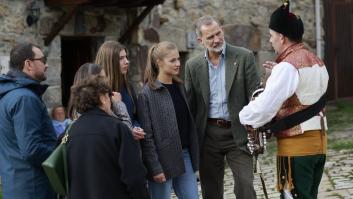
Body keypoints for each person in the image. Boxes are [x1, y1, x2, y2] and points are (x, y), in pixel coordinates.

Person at [239, 1, 329, 198]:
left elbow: (265, 107)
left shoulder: (287, 67)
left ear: (281, 37)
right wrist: (276, 76)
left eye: (271, 36)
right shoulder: (316, 60)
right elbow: (305, 95)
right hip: (319, 145)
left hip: (297, 149)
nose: (270, 41)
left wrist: (243, 115)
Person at [184, 16, 261, 199]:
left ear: (222, 30)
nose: (216, 39)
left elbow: (256, 97)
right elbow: (191, 107)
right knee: (211, 191)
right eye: (210, 37)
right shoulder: (192, 66)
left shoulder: (244, 57)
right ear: (200, 40)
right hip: (208, 135)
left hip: (239, 133)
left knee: (245, 186)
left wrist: (257, 130)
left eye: (218, 33)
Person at [67, 76, 149, 199]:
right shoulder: (117, 128)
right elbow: (134, 176)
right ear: (103, 98)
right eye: (109, 96)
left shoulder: (70, 131)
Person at [138, 41, 199, 199]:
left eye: (178, 59)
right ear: (158, 62)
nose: (178, 63)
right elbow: (147, 136)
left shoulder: (180, 87)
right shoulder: (147, 94)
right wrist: (155, 167)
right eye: (172, 60)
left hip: (185, 155)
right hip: (161, 159)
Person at [0, 43, 57, 199]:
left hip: (17, 187)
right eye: (42, 60)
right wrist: (61, 154)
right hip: (33, 189)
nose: (46, 65)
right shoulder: (24, 98)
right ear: (28, 64)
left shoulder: (8, 95)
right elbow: (31, 149)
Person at [95, 41, 145, 140]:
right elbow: (101, 124)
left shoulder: (127, 86)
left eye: (126, 57)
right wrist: (128, 130)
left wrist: (136, 127)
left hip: (130, 147)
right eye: (121, 58)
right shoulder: (96, 91)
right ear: (109, 61)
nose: (127, 61)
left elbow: (134, 116)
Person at [67, 62, 133, 129]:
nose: (106, 81)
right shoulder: (96, 112)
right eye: (102, 78)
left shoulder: (78, 113)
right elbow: (126, 130)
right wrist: (119, 104)